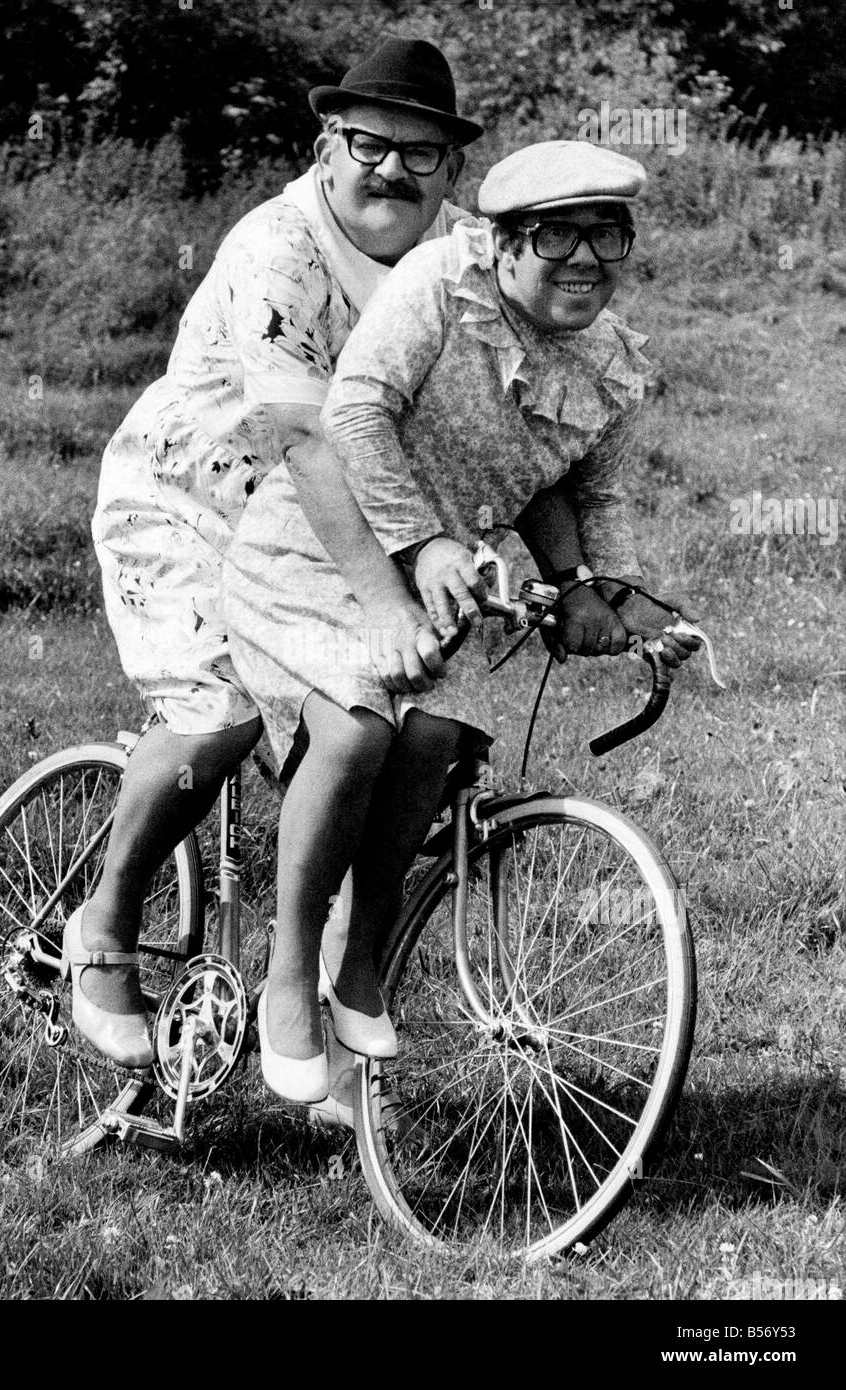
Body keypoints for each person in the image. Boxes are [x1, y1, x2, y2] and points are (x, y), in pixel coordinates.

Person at [222, 140, 700, 1088]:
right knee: (357, 733)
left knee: (435, 737)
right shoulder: (443, 283)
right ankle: (286, 972)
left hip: (450, 579)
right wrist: (420, 546)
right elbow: (352, 413)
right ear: (505, 243)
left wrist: (603, 589)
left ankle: (360, 960)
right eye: (558, 235)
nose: (585, 261)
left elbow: (588, 492)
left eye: (608, 236)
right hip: (327, 552)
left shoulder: (607, 358)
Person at [77, 39, 486, 1111]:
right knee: (213, 721)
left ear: (452, 173)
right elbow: (306, 443)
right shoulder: (280, 248)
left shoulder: (455, 260)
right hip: (189, 506)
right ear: (324, 146)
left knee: (385, 734)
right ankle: (105, 922)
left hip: (317, 534)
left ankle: (318, 1014)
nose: (391, 171)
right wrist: (388, 593)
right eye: (368, 145)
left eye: (421, 154)